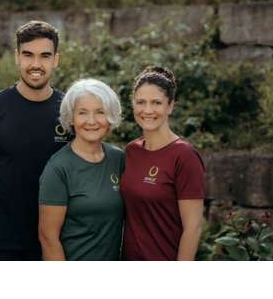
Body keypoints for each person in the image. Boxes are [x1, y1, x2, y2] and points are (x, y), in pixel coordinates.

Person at [0, 21, 71, 261]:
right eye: (28, 55)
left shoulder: (71, 112)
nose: (36, 64)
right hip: (4, 246)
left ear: (56, 60)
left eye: (45, 56)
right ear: (16, 57)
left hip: (60, 246)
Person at [120, 66, 205, 261]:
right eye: (140, 102)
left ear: (170, 107)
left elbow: (193, 229)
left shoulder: (184, 156)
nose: (147, 110)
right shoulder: (131, 151)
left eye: (156, 103)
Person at [38, 79, 125, 261]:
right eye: (82, 113)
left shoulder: (118, 158)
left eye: (100, 112)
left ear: (110, 117)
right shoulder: (58, 168)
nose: (91, 121)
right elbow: (48, 238)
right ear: (71, 117)